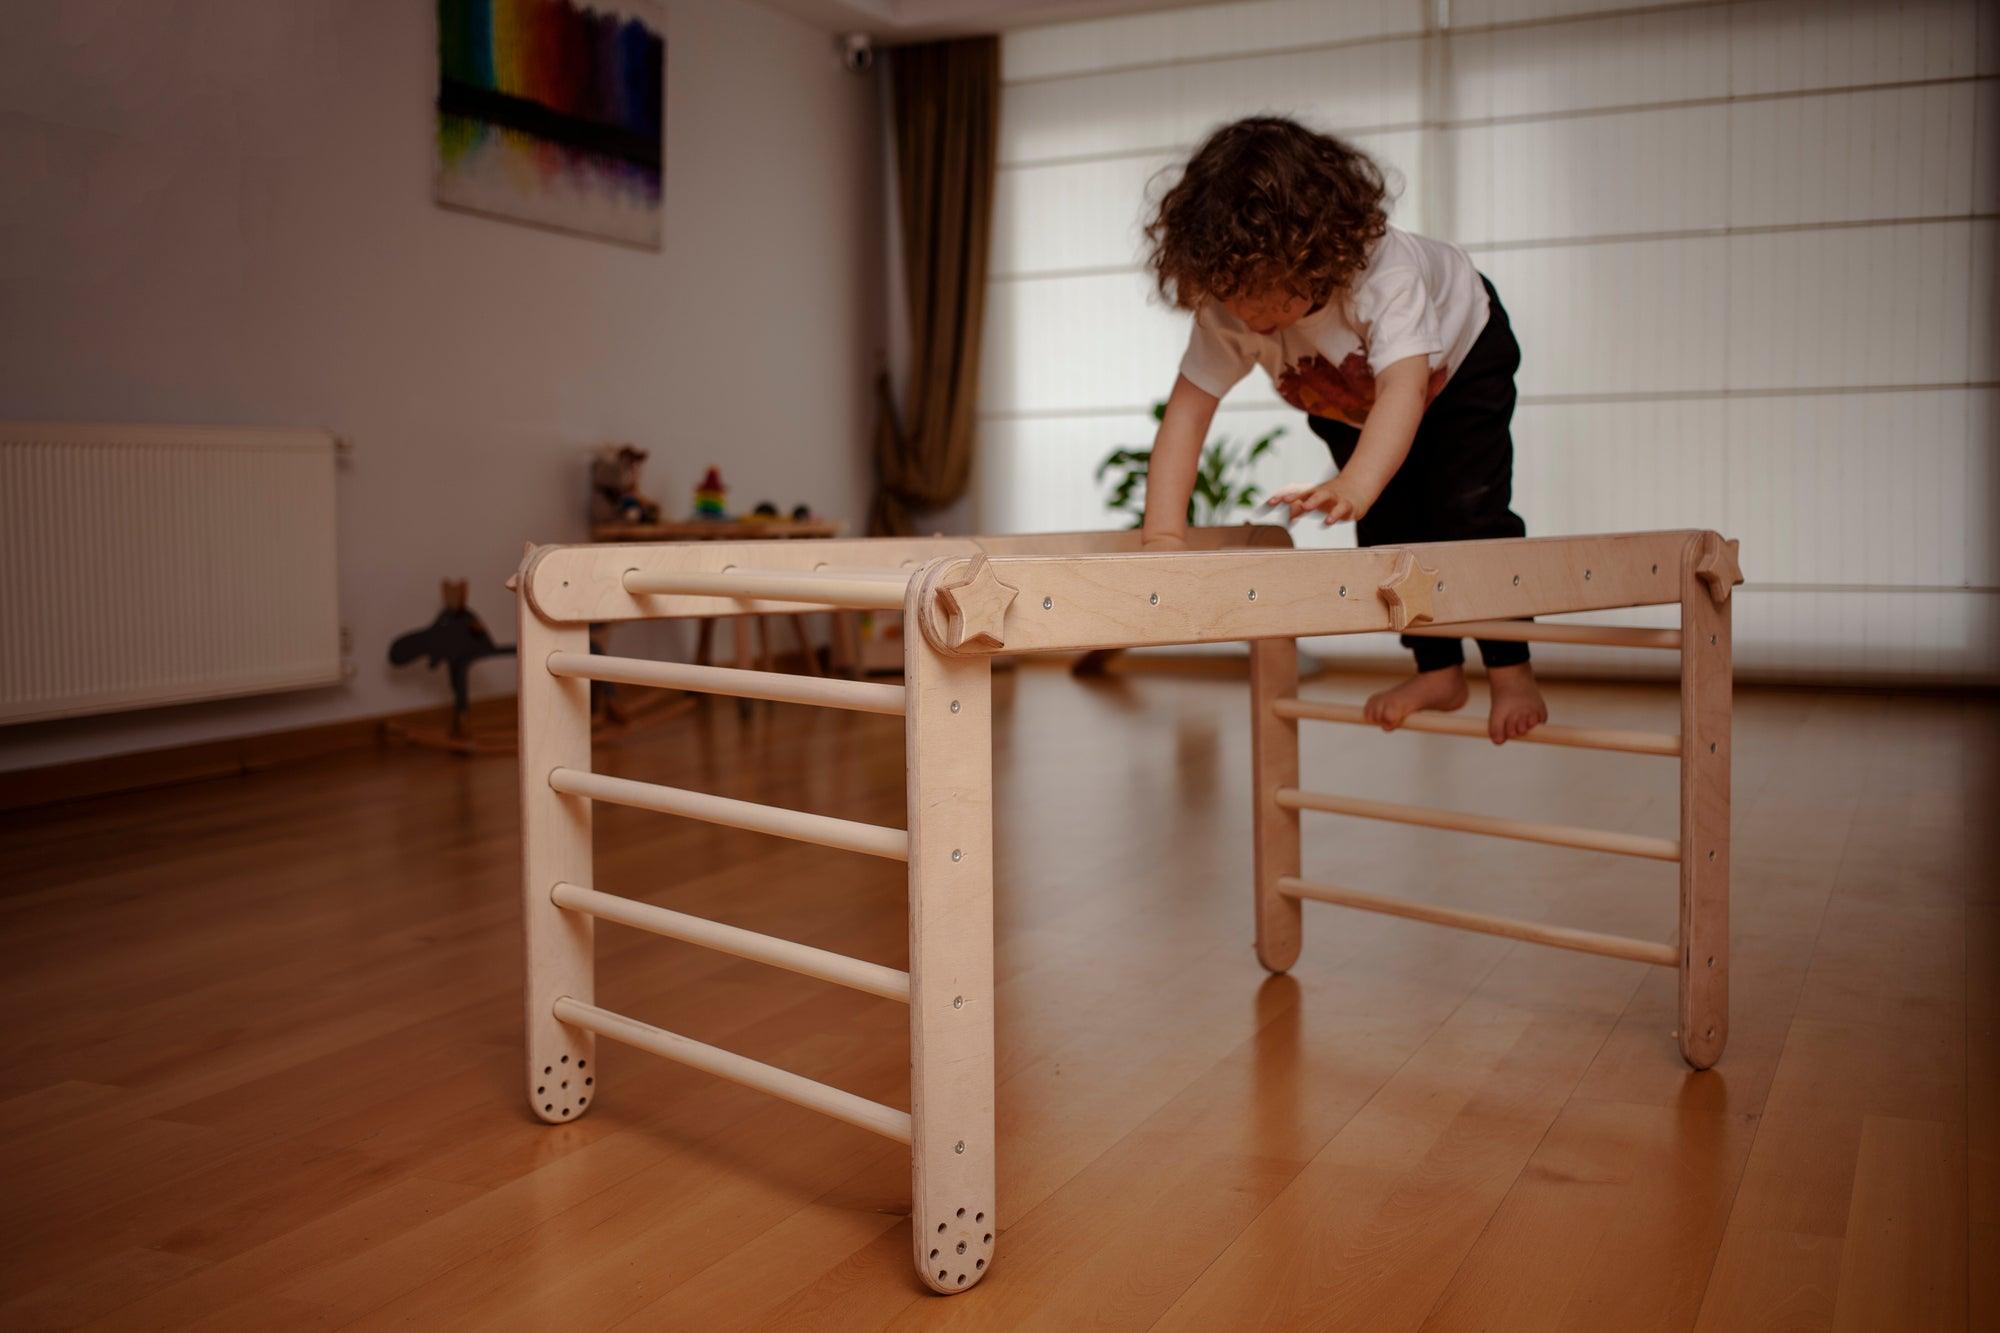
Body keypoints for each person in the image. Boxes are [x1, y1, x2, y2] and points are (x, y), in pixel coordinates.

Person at [1137, 115, 1547, 743]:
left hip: (1455, 365)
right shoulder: (1233, 304)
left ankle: (1511, 669)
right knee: (1387, 527)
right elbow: (1187, 414)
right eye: (1236, 296)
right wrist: (1163, 537)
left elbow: (1405, 388)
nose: (1253, 316)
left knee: (1468, 513)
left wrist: (1355, 479)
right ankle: (1439, 670)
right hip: (1350, 401)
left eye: (1270, 298)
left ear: (1319, 255)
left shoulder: (1384, 274)